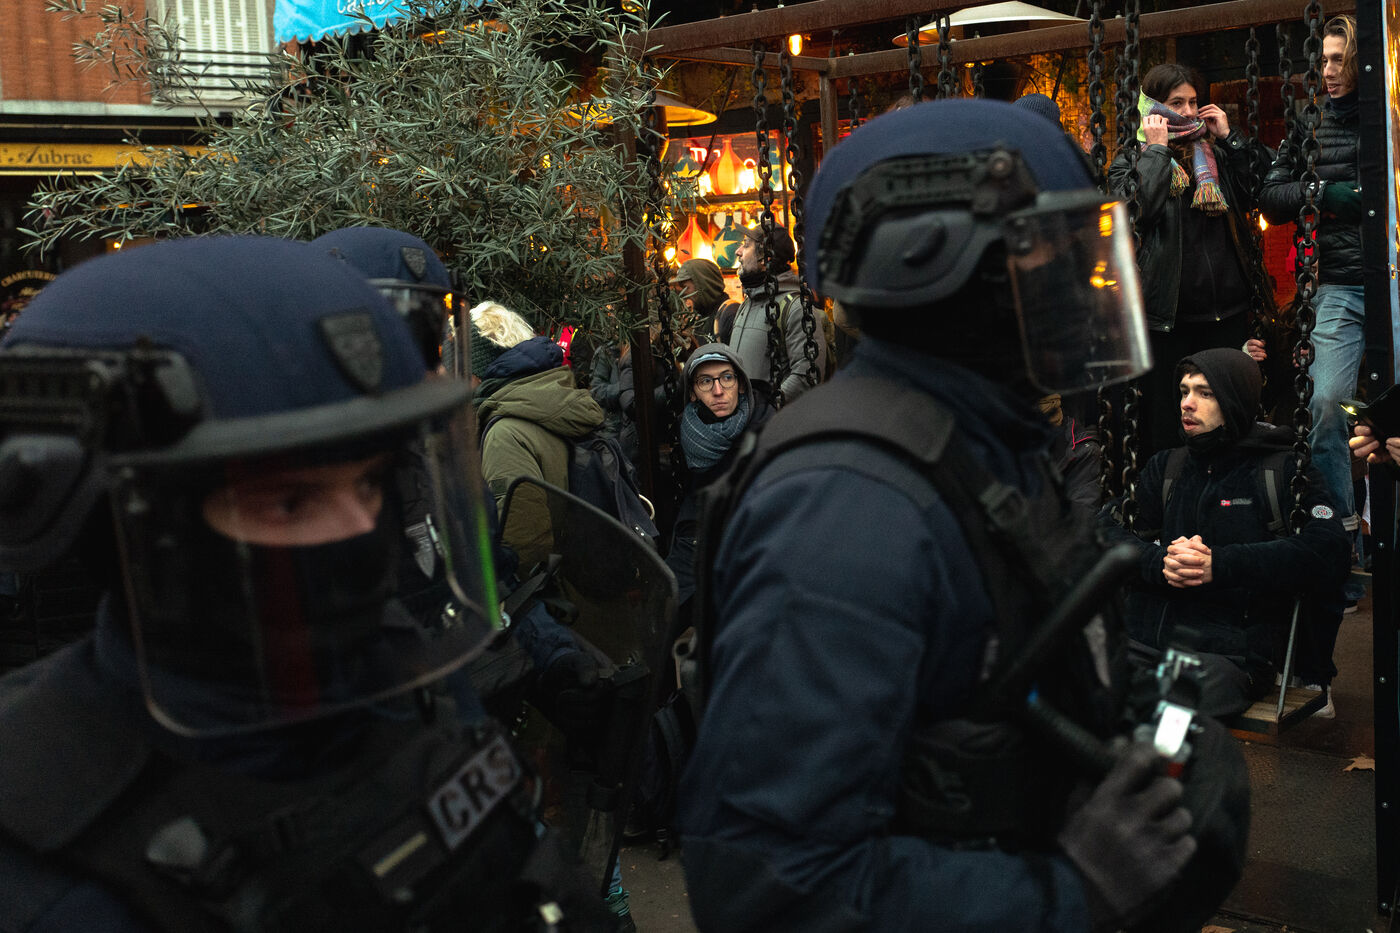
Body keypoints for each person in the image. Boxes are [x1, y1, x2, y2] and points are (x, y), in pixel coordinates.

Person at [679, 99, 1245, 932]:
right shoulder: (847, 509)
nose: (1084, 290)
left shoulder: (979, 439)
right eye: (1052, 263)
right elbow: (766, 881)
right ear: (936, 267)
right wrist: (1074, 891)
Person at [0, 236, 613, 931]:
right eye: (291, 501)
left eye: (370, 482)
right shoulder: (50, 864)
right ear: (138, 531)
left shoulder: (389, 672)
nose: (361, 529)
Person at [1099, 348, 1351, 717]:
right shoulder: (1166, 467)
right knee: (1068, 690)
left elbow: (1328, 549)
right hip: (1144, 642)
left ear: (1234, 399)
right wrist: (1160, 562)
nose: (1187, 403)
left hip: (1228, 654)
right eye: (1184, 391)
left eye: (1205, 393)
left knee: (1165, 716)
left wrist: (1219, 564)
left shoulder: (1282, 470)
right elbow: (1102, 531)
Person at [1111, 62, 1275, 460]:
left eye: (1193, 102)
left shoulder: (1216, 153)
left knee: (1230, 425)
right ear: (1153, 108)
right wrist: (1156, 152)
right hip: (1170, 322)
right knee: (1170, 431)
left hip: (1226, 315)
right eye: (1176, 103)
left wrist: (1232, 138)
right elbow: (1132, 215)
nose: (1187, 112)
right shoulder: (1132, 159)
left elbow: (1262, 188)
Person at [1259, 14, 1365, 596]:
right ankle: (1339, 552)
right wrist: (1324, 193)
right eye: (1322, 59)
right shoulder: (1311, 121)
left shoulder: (1389, 116)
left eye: (1338, 60)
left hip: (1393, 280)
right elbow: (1272, 196)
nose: (1328, 70)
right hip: (1341, 286)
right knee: (1326, 406)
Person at [471, 300, 605, 570]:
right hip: (584, 576)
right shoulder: (546, 402)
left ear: (477, 373)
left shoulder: (505, 434)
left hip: (547, 588)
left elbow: (523, 547)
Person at [667, 344, 773, 607]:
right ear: (693, 392)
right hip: (696, 535)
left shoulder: (766, 428)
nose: (718, 390)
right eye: (706, 381)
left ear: (741, 384)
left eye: (726, 377)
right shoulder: (689, 428)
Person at [725, 223, 826, 404]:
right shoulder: (747, 304)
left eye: (746, 245)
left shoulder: (796, 308)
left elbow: (806, 376)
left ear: (766, 258)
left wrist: (766, 409)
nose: (738, 252)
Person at [671, 258, 736, 345]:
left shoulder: (730, 315)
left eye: (685, 287)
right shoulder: (701, 317)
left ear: (703, 285)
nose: (683, 294)